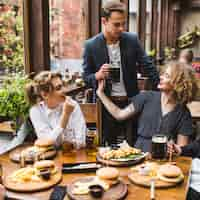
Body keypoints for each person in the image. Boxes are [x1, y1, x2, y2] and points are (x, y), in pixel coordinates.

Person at [82, 0, 159, 146]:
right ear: (104, 21)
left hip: (131, 102)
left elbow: (148, 66)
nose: (121, 28)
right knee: (108, 146)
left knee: (133, 145)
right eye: (117, 24)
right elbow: (86, 78)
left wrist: (161, 89)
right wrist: (97, 76)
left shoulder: (132, 40)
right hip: (105, 105)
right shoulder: (91, 45)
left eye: (123, 24)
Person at [97, 61, 197, 152]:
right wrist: (100, 93)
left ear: (178, 83)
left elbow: (181, 149)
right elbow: (119, 114)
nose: (161, 77)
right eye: (162, 74)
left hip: (163, 160)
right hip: (139, 155)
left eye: (166, 76)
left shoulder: (183, 113)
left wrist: (174, 148)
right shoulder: (146, 97)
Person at [25, 71, 86, 148]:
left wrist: (55, 141)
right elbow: (46, 142)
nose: (64, 90)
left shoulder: (73, 105)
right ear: (45, 94)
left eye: (63, 86)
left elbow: (81, 142)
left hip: (74, 156)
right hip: (50, 157)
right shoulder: (36, 111)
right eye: (58, 88)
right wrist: (65, 116)